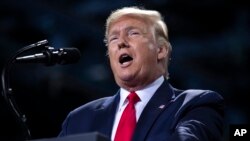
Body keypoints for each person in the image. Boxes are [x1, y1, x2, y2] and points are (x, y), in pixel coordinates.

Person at [58, 6, 225, 141]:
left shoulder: (195, 104)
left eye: (133, 33)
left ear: (161, 50)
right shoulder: (78, 119)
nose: (121, 43)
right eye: (113, 39)